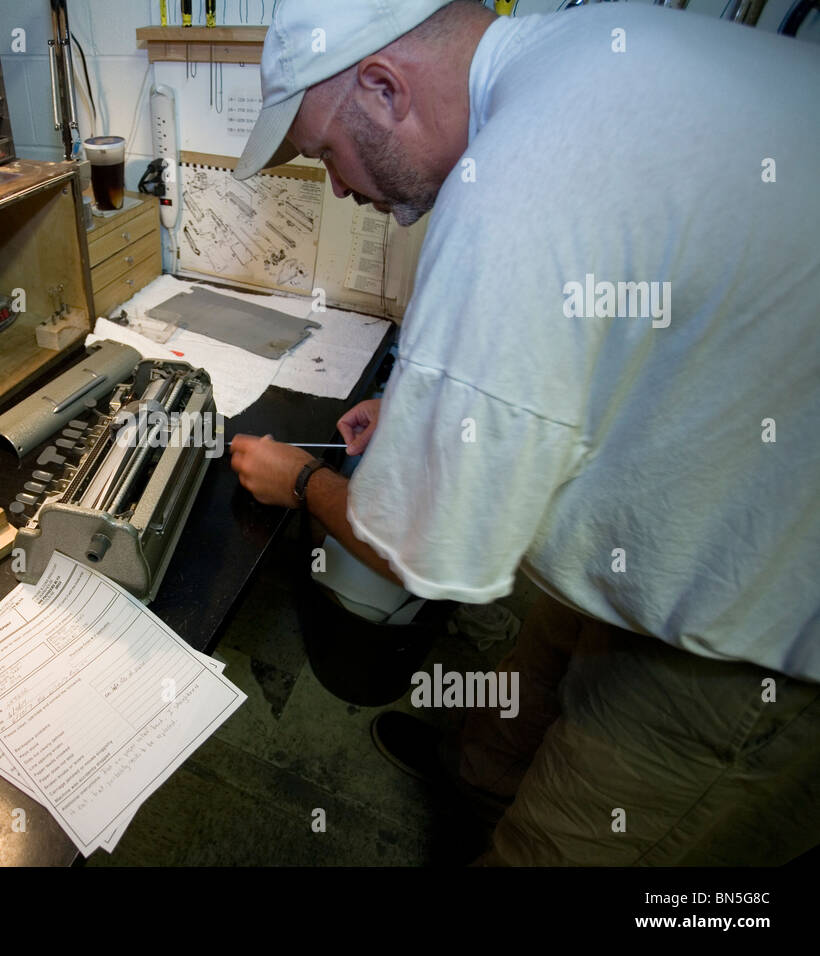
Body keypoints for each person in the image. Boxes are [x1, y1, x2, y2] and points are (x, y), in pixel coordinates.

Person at [228, 0, 820, 865]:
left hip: (758, 615)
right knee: (527, 684)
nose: (341, 188)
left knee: (567, 844)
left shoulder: (514, 186)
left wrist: (299, 484)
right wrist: (442, 408)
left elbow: (429, 556)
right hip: (697, 487)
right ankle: (473, 776)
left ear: (385, 89)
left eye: (325, 153)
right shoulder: (581, 49)